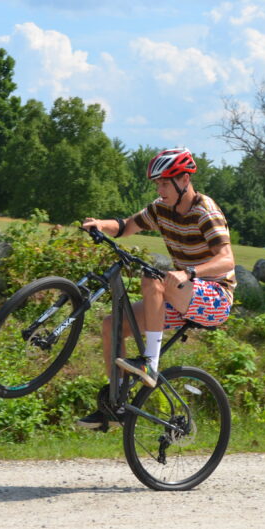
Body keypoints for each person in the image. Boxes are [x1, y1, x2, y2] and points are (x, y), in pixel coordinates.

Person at [76, 147, 236, 429]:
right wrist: (101, 224)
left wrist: (189, 272)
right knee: (111, 325)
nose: (160, 189)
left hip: (215, 298)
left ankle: (150, 363)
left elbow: (226, 260)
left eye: (165, 182)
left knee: (153, 278)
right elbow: (126, 226)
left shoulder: (205, 211)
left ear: (184, 180)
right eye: (157, 183)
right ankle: (117, 406)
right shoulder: (161, 209)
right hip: (180, 295)